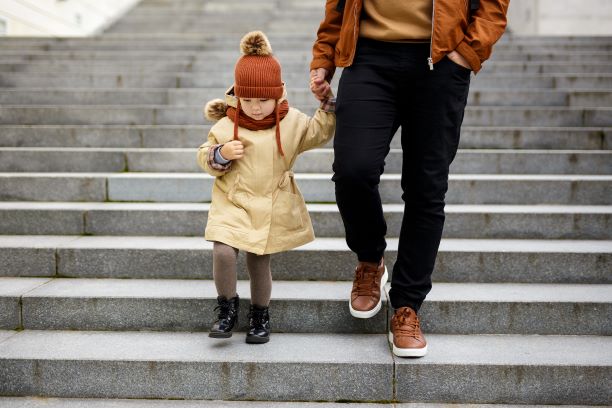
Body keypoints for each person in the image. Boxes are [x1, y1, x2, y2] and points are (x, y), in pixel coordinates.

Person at [309, 0, 509, 356]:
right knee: (353, 170)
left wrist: (468, 52)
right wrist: (324, 57)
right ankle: (370, 260)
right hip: (367, 57)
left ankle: (407, 306)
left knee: (426, 188)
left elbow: (493, 5)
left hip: (442, 62)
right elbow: (338, 5)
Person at [197, 31, 336, 344]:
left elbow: (317, 133)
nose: (256, 108)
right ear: (237, 96)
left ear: (278, 94)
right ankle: (226, 307)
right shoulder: (225, 125)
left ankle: (260, 313)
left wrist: (327, 104)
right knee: (222, 249)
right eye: (248, 101)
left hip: (270, 200)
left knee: (259, 259)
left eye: (263, 100)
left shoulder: (292, 122)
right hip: (232, 199)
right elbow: (204, 155)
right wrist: (220, 154)